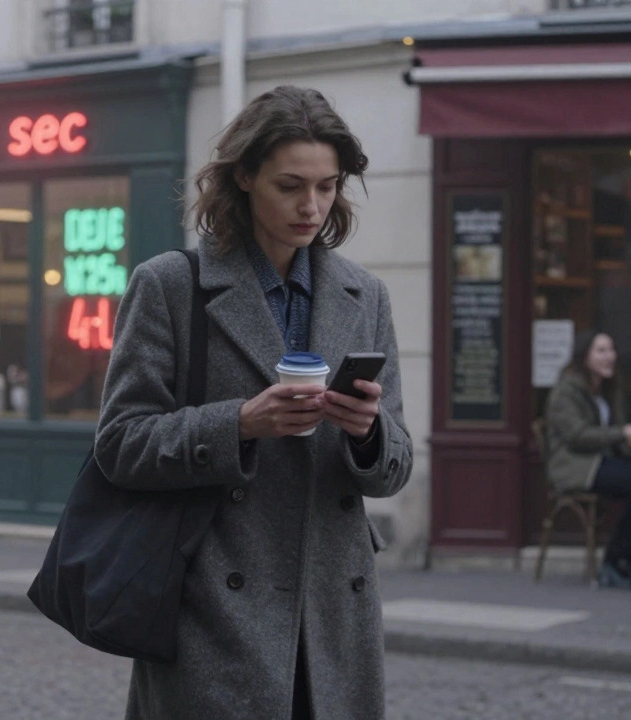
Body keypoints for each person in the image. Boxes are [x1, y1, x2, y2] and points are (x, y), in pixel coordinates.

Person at [94, 86, 412, 720]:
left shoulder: (363, 295)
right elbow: (120, 444)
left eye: (327, 187)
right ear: (244, 175)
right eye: (291, 185)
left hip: (332, 618)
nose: (311, 206)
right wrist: (239, 423)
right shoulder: (170, 284)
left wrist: (367, 434)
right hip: (214, 610)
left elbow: (395, 464)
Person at [544, 331, 631, 589]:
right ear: (585, 357)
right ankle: (615, 559)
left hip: (598, 460)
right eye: (602, 351)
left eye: (612, 350)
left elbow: (616, 427)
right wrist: (624, 433)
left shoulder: (607, 388)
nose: (610, 357)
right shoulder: (567, 390)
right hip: (575, 466)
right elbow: (577, 436)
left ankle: (621, 558)